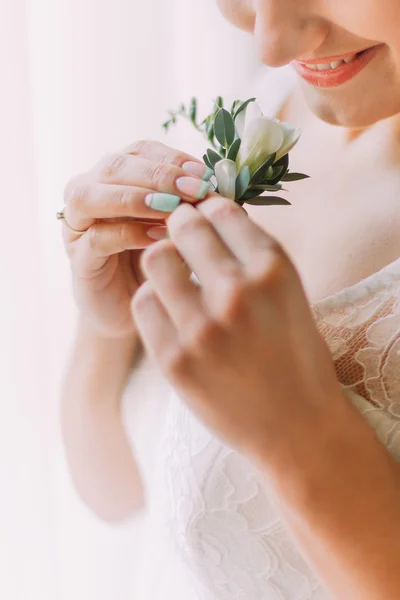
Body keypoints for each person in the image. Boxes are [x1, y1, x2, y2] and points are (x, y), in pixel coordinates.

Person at [59, 1, 400, 598]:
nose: (269, 43)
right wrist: (110, 334)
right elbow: (122, 502)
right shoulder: (286, 99)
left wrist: (299, 433)